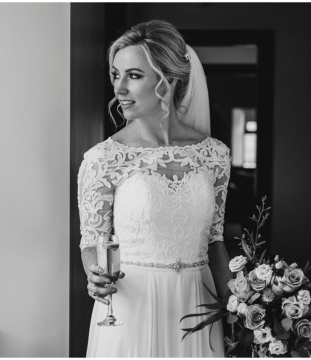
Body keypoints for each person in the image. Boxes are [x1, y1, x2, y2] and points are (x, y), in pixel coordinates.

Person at [77, 20, 232, 357]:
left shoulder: (214, 155)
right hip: (132, 308)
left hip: (199, 304)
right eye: (116, 75)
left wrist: (246, 305)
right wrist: (96, 276)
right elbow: (92, 242)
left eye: (134, 76)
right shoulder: (104, 159)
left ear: (170, 79)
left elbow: (215, 240)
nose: (119, 89)